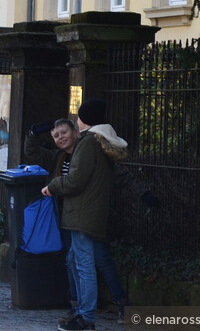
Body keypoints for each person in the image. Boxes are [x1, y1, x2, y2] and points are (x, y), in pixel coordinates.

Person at [26, 117, 159, 324]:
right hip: (67, 217)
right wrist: (34, 134)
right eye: (55, 135)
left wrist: (143, 194)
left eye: (64, 132)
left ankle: (120, 304)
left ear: (75, 132)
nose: (60, 137)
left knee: (100, 259)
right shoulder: (57, 157)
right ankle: (78, 307)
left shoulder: (91, 152)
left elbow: (122, 176)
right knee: (72, 262)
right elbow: (32, 152)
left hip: (87, 216)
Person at [42, 98, 128, 331]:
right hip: (83, 212)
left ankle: (86, 317)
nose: (76, 121)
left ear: (84, 119)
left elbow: (76, 180)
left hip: (82, 213)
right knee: (76, 261)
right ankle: (81, 312)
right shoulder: (96, 141)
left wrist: (54, 185)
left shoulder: (89, 143)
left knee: (84, 265)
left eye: (78, 117)